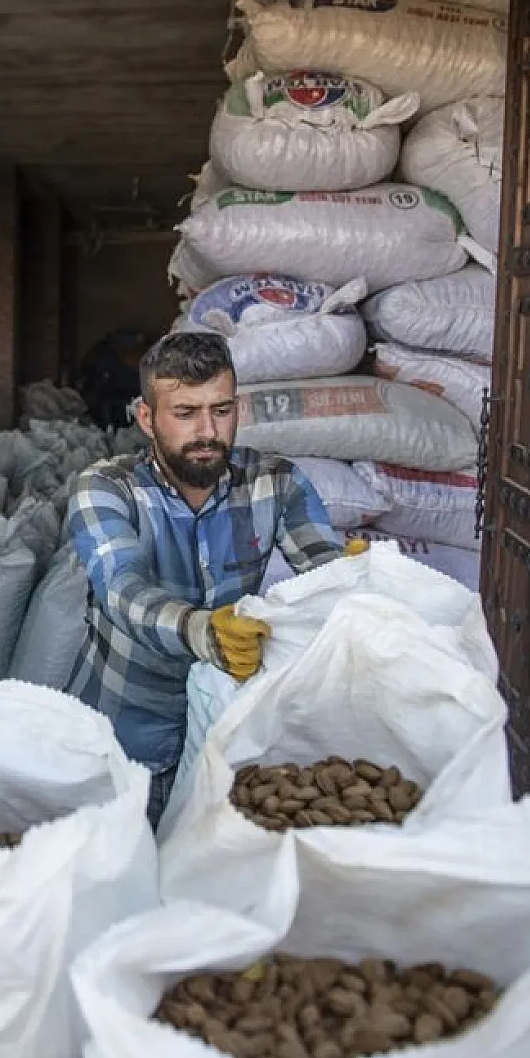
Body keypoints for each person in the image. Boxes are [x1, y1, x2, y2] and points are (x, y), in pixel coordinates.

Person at [65, 331, 366, 823]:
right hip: (120, 738)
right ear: (146, 418)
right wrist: (201, 630)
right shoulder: (106, 489)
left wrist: (356, 577)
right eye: (185, 413)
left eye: (221, 410)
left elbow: (323, 570)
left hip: (220, 734)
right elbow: (122, 588)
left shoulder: (276, 482)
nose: (207, 431)